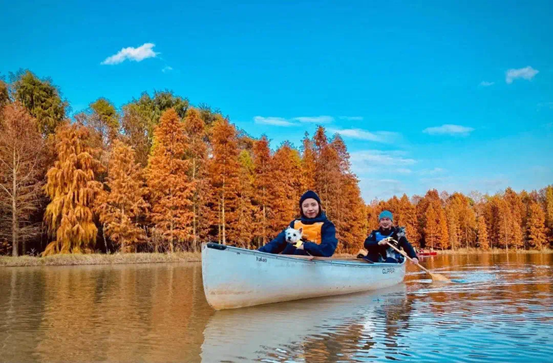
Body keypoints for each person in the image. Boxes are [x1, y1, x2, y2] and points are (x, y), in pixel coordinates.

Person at [258, 190, 338, 257]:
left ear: (319, 206)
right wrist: (259, 253)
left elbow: (328, 248)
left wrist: (305, 246)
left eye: (313, 205)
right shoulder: (295, 224)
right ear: (301, 209)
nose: (310, 209)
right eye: (306, 206)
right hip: (292, 261)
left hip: (315, 262)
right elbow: (278, 242)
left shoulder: (326, 225)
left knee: (299, 249)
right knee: (291, 245)